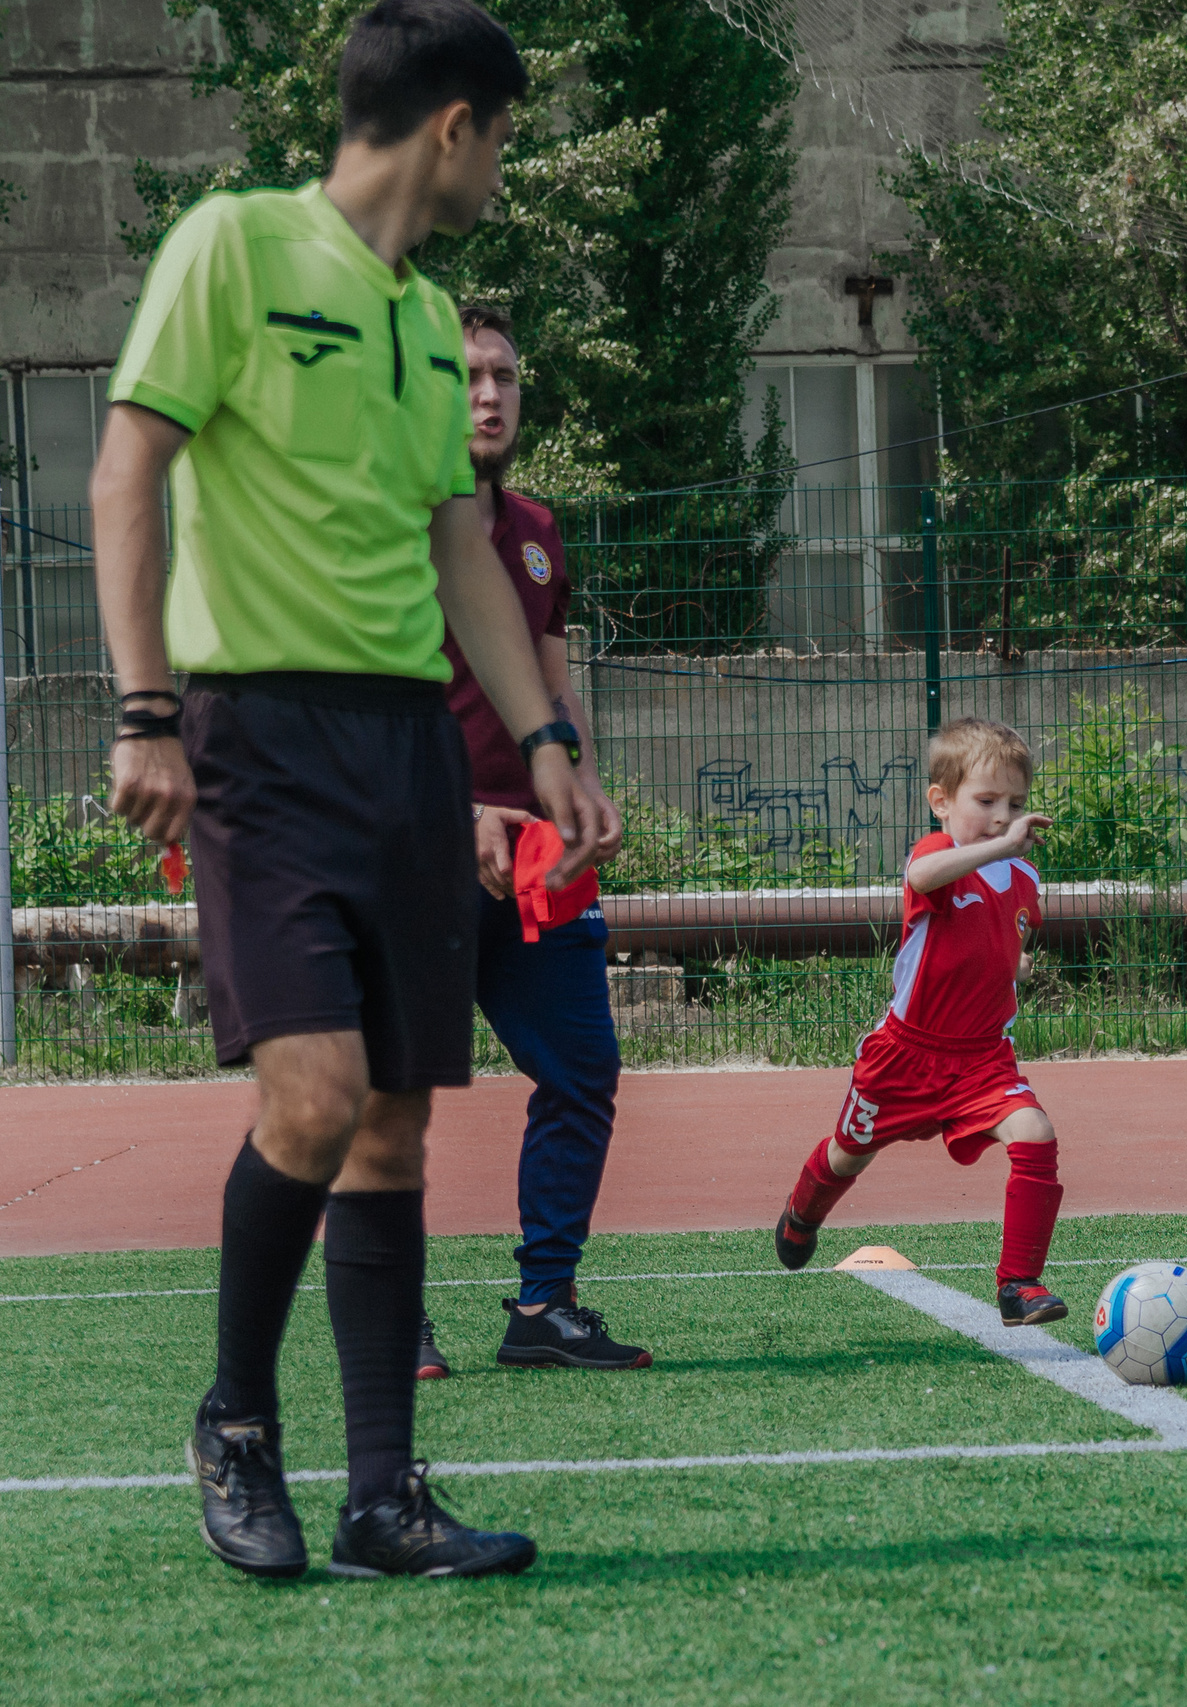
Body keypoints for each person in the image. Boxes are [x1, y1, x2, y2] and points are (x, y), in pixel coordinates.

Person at [91, 0, 602, 1581]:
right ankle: (238, 1421)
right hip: (257, 736)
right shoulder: (234, 248)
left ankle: (384, 1492)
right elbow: (127, 470)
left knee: (389, 1122)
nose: (502, 170)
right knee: (307, 1094)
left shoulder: (432, 318)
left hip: (406, 755)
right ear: (455, 125)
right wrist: (144, 713)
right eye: (504, 138)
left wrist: (542, 740)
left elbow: (461, 545)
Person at [410, 304, 648, 1381]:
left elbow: (554, 685)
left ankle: (542, 1307)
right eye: (468, 377)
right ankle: (393, 1320)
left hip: (537, 861)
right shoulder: (391, 524)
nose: (490, 394)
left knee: (584, 1069)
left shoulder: (541, 535)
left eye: (504, 375)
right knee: (392, 1094)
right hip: (415, 851)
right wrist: (446, 812)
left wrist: (584, 791)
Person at [773, 717, 1070, 1324]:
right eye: (986, 801)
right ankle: (803, 1213)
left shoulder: (1024, 875)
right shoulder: (938, 853)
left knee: (1036, 1135)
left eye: (1014, 804)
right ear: (941, 802)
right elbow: (921, 879)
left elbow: (1003, 940)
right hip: (904, 1056)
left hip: (983, 1058)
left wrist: (1017, 968)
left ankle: (1020, 1285)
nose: (1002, 815)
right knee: (848, 1155)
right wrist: (999, 844)